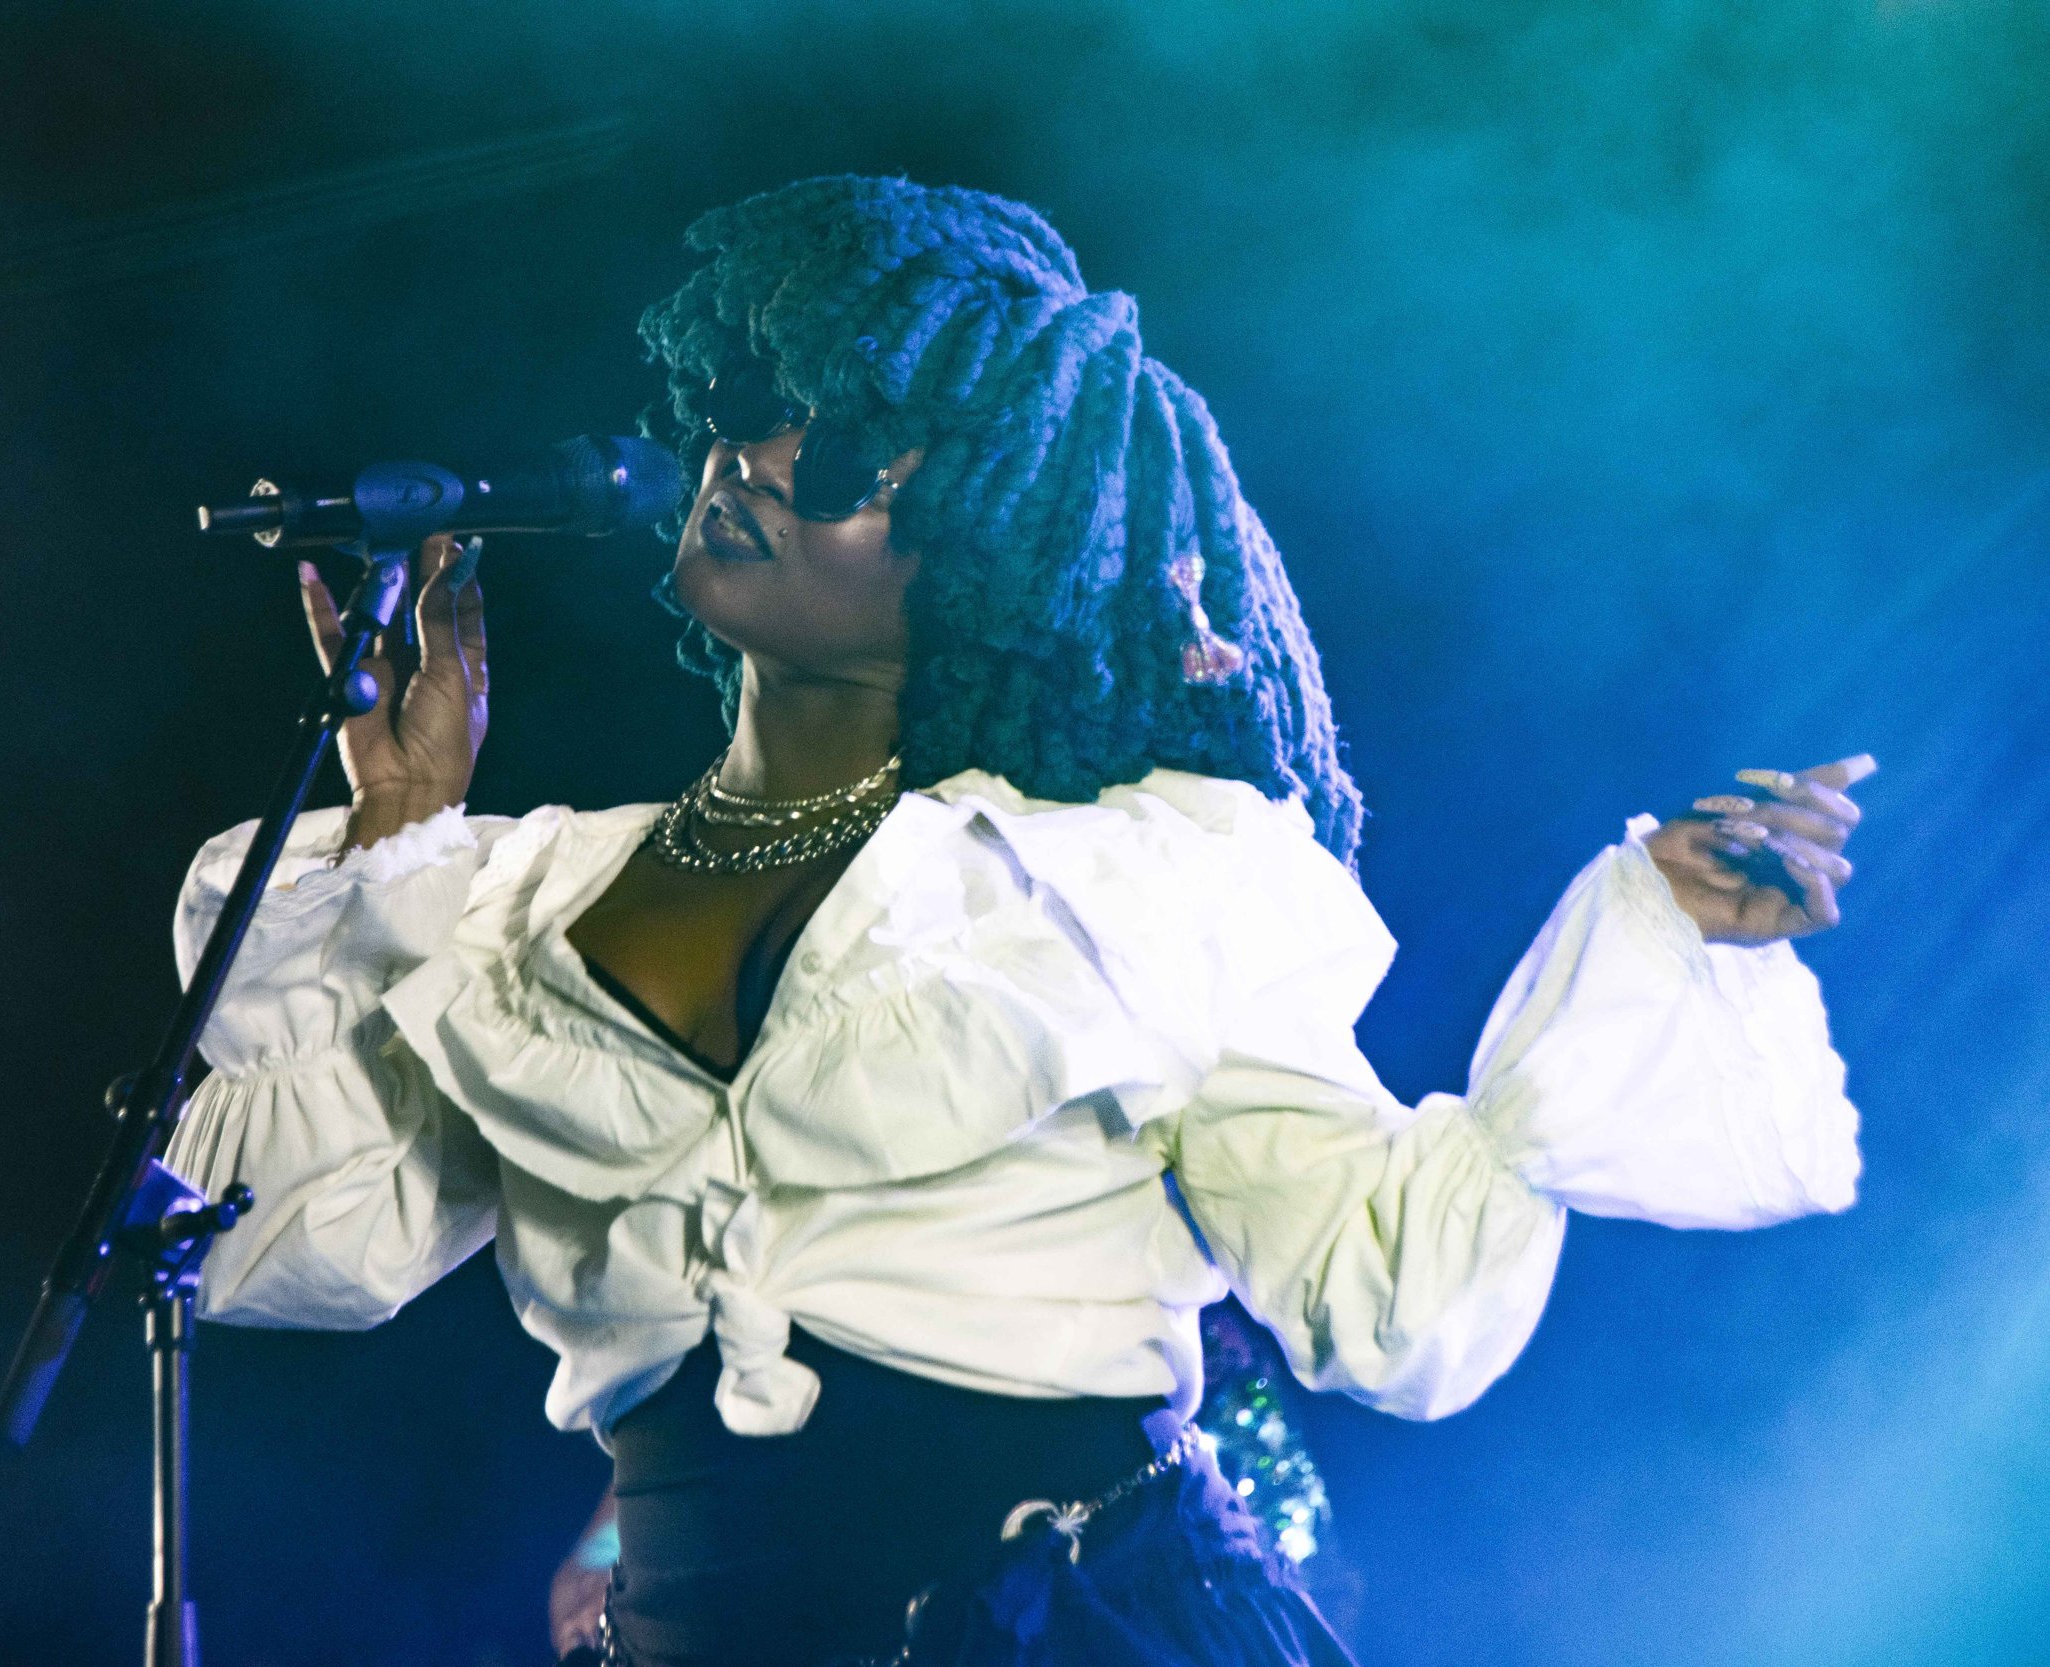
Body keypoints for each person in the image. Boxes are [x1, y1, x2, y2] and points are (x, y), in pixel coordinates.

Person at [164, 176, 1873, 1667]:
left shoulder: (1129, 882)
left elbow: (1386, 1298)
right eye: (768, 412)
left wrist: (1659, 944)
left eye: (847, 462)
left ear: (993, 552)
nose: (757, 464)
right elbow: (288, 1247)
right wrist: (396, 830)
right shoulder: (523, 893)